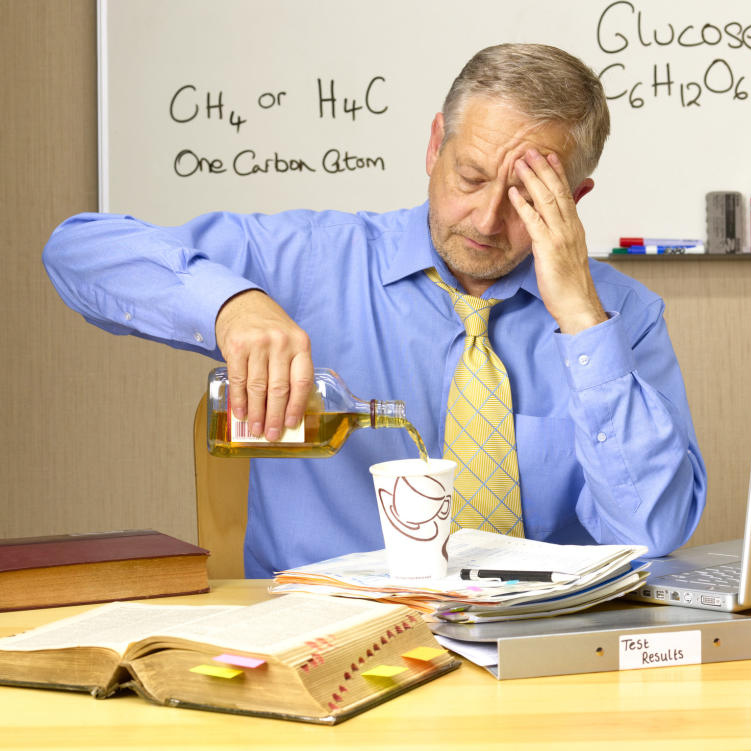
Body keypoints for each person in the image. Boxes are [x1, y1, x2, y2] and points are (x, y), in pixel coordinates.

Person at [43, 44, 707, 577]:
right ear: (433, 146)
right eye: (470, 177)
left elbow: (651, 532)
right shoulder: (307, 262)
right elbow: (77, 250)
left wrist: (582, 322)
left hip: (533, 657)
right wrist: (230, 304)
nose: (485, 218)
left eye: (529, 198)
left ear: (576, 196)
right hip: (323, 646)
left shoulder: (621, 319)